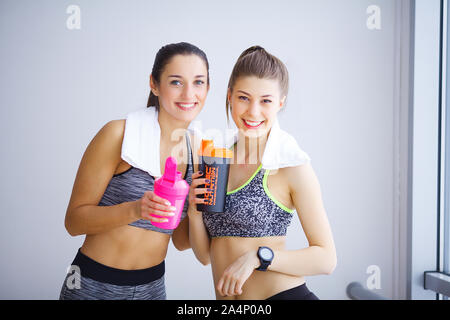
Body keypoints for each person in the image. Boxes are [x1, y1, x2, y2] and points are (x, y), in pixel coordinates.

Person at [59, 42, 210, 300]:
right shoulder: (118, 134)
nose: (189, 94)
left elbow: (181, 242)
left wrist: (197, 210)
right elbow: (73, 222)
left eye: (198, 82)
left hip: (152, 288)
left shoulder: (199, 150)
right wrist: (135, 209)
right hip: (93, 284)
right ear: (154, 84)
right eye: (176, 82)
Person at [187, 46, 336, 300]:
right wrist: (193, 211)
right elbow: (205, 257)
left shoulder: (291, 165)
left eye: (265, 100)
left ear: (280, 103)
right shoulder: (216, 161)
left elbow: (326, 259)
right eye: (244, 98)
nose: (253, 111)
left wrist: (259, 257)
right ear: (230, 96)